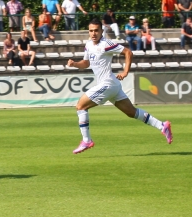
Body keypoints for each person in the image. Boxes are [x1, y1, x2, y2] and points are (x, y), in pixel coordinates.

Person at [66, 19, 172, 154]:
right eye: (91, 31)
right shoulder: (88, 45)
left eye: (96, 30)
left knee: (80, 106)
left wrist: (125, 71)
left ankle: (86, 140)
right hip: (112, 85)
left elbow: (128, 52)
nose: (93, 33)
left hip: (108, 84)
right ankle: (162, 126)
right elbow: (86, 63)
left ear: (101, 31)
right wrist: (75, 64)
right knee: (131, 112)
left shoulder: (106, 44)